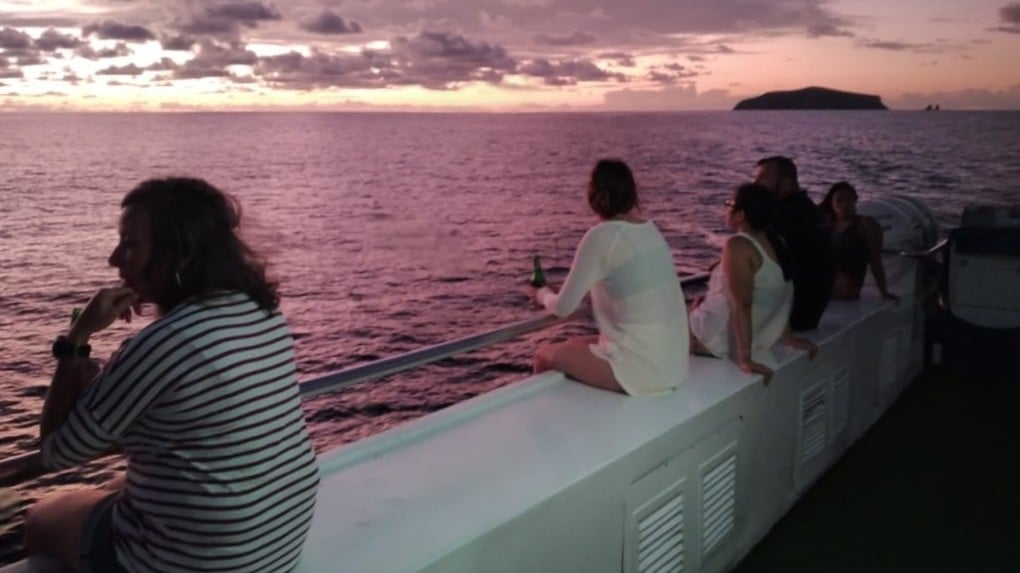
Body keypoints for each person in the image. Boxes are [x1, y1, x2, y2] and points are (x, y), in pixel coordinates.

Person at [25, 178, 320, 572]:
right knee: (117, 486)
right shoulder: (261, 313)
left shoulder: (164, 342)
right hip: (270, 550)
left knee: (43, 513)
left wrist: (78, 338)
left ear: (179, 254)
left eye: (129, 244)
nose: (114, 259)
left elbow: (56, 450)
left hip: (192, 564)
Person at [531, 159, 690, 395]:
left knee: (544, 355)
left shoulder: (602, 235)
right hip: (674, 363)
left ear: (593, 194)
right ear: (632, 193)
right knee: (572, 344)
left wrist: (542, 293)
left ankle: (550, 427)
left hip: (646, 368)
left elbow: (563, 307)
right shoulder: (649, 229)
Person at [689, 183, 817, 382]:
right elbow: (781, 293)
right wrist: (788, 337)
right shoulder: (777, 243)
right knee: (691, 305)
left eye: (729, 203)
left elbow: (743, 305)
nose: (725, 207)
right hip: (743, 333)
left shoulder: (738, 245)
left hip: (711, 338)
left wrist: (745, 359)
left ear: (741, 215)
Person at [754, 156, 835, 331]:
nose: (756, 183)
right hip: (811, 312)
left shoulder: (782, 217)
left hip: (790, 316)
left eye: (763, 178)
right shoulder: (808, 210)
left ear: (786, 183)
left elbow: (769, 266)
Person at [820, 181, 899, 302]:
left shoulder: (865, 224)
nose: (844, 204)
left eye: (848, 199)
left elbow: (875, 260)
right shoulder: (829, 227)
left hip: (848, 284)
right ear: (832, 204)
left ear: (855, 200)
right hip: (829, 276)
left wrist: (884, 292)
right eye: (839, 201)